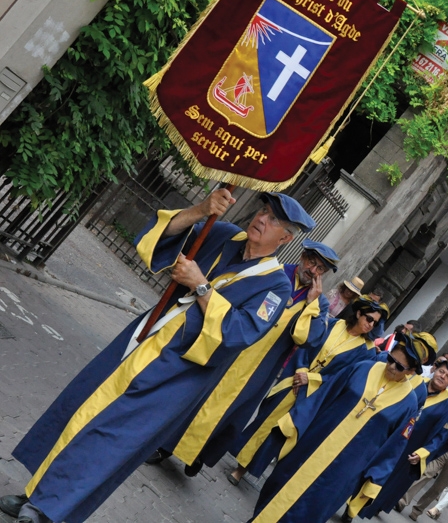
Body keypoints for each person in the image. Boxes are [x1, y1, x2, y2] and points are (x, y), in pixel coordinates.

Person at [0, 189, 315, 523]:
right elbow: (160, 238)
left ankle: (49, 511)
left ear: (285, 237)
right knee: (83, 408)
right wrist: (201, 209)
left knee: (112, 436)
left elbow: (239, 333)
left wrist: (201, 286)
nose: (263, 219)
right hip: (142, 340)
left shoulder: (275, 288)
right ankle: (36, 492)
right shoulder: (222, 235)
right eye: (264, 210)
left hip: (180, 372)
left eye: (275, 220)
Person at [156, 238, 339, 477]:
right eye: (311, 263)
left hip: (262, 367)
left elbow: (310, 340)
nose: (312, 271)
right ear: (303, 258)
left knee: (231, 412)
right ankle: (165, 445)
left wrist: (312, 304)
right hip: (235, 348)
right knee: (199, 395)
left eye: (320, 269)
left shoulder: (319, 305)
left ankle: (198, 454)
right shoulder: (274, 275)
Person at [249, 340, 423, 523]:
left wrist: (373, 481)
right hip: (314, 443)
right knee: (279, 487)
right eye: (390, 359)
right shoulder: (363, 368)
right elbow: (324, 395)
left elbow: (393, 449)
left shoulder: (409, 404)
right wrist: (297, 421)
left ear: (411, 371)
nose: (391, 366)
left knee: (313, 507)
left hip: (345, 468)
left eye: (399, 366)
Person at [227, 295, 390, 485]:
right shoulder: (333, 324)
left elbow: (347, 379)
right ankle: (241, 456)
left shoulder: (367, 352)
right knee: (265, 420)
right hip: (294, 380)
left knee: (279, 433)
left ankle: (243, 469)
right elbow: (308, 343)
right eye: (368, 318)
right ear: (359, 313)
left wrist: (312, 379)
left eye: (375, 322)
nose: (371, 325)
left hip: (317, 396)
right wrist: (301, 369)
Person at [353, 361, 448, 519]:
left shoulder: (447, 406)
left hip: (409, 447)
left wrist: (423, 453)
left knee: (386, 479)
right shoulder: (416, 381)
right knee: (364, 466)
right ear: (435, 370)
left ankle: (361, 508)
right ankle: (349, 498)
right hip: (389, 434)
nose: (443, 376)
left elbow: (441, 436)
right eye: (442, 372)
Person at [396, 369, 448, 512]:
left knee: (430, 478)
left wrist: (438, 450)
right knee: (409, 471)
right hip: (418, 439)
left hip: (436, 448)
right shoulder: (441, 393)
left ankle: (409, 505)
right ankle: (398, 498)